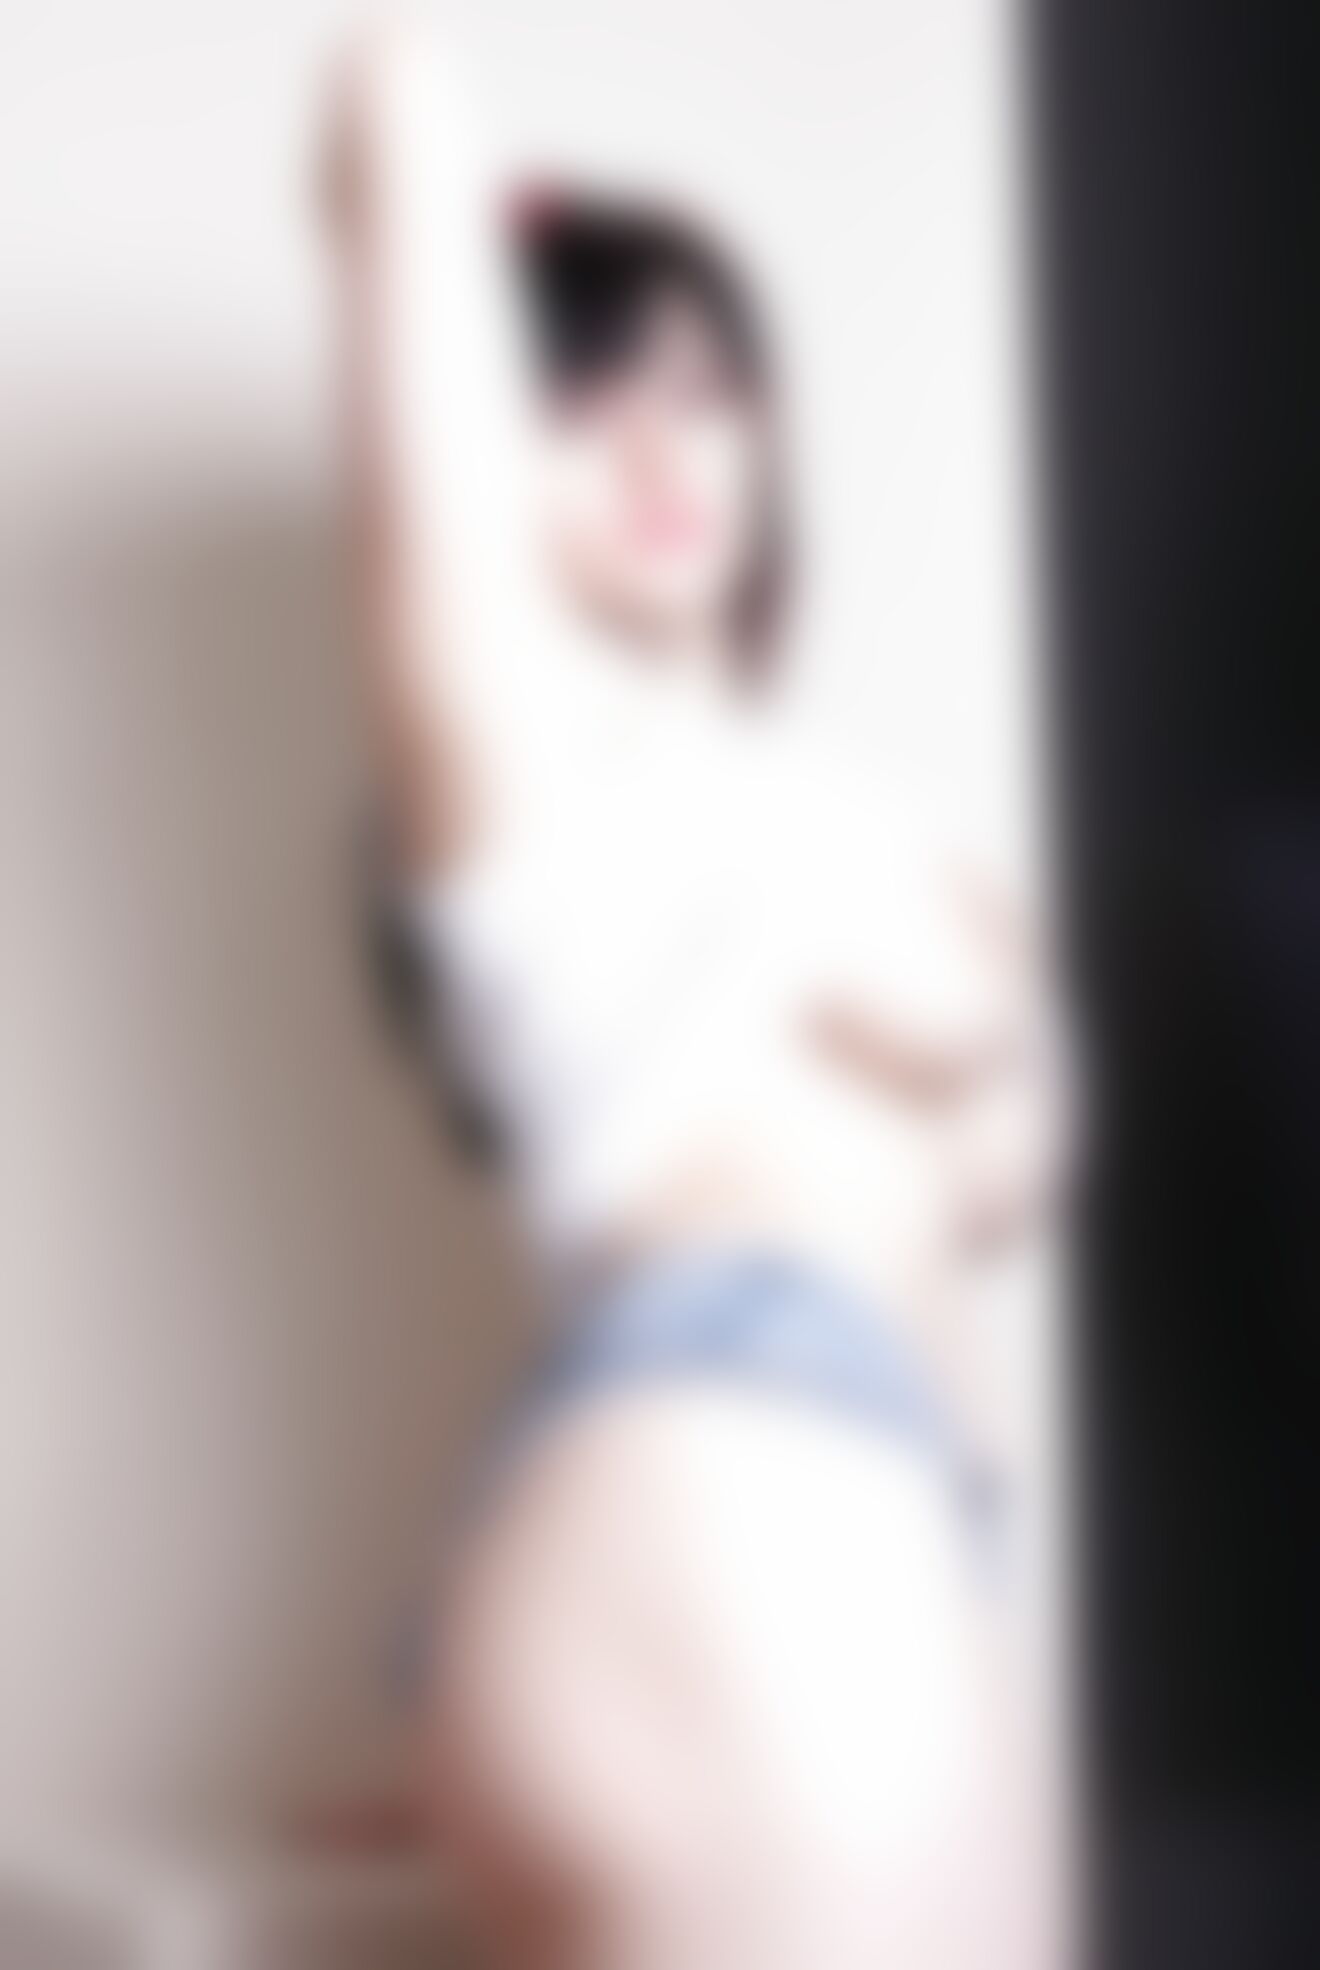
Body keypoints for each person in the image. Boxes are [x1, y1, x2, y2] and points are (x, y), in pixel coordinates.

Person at [323, 21, 1064, 1968]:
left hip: (890, 1561)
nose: (665, 450)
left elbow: (992, 1192)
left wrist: (986, 1025)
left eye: (710, 389)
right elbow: (390, 111)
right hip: (736, 1506)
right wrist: (473, 211)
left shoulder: (867, 828)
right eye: (585, 398)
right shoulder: (523, 752)